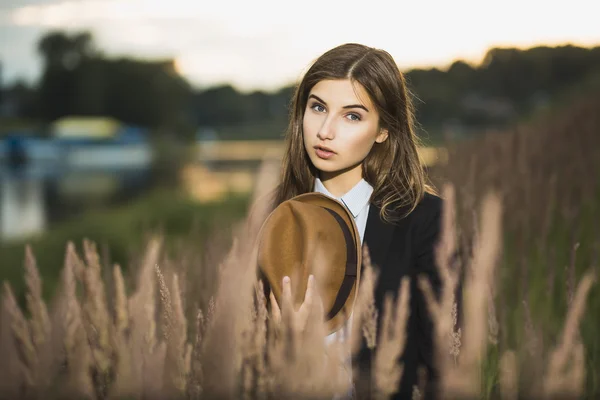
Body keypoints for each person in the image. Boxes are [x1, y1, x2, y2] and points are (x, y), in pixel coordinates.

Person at [260, 43, 443, 400]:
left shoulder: (424, 221)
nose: (325, 130)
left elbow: (442, 366)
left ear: (383, 130)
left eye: (352, 116)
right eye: (318, 107)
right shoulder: (273, 214)